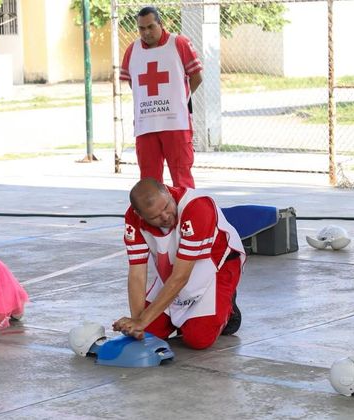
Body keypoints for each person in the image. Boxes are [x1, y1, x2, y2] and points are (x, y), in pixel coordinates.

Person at [113, 178, 244, 350]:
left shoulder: (197, 207)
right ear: (140, 215)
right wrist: (137, 324)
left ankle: (228, 309)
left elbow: (181, 277)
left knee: (198, 339)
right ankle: (186, 320)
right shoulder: (133, 219)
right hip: (176, 268)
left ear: (168, 192)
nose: (166, 217)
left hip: (217, 266)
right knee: (149, 334)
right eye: (155, 217)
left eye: (166, 207)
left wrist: (142, 321)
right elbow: (137, 274)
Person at [120, 6, 203, 188]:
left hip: (176, 124)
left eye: (151, 27)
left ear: (161, 24)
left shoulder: (179, 43)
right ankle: (154, 217)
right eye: (142, 28)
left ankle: (186, 216)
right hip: (146, 125)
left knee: (182, 178)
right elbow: (133, 82)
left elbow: (196, 77)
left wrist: (180, 100)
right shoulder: (132, 50)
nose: (146, 32)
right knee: (149, 181)